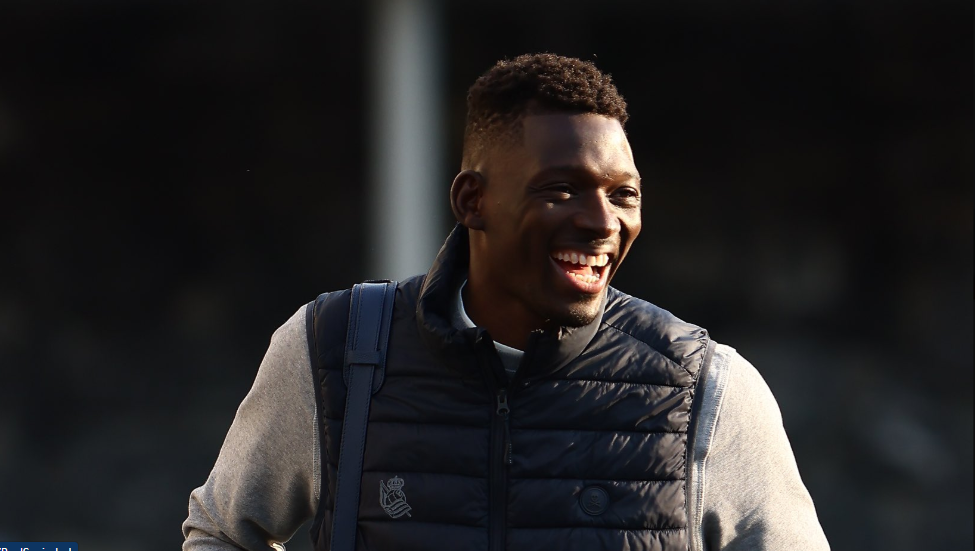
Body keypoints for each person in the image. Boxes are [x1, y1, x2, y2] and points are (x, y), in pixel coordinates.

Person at [183, 53, 830, 551]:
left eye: (623, 194)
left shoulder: (706, 388)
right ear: (473, 201)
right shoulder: (334, 350)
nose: (602, 221)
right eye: (561, 190)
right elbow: (221, 533)